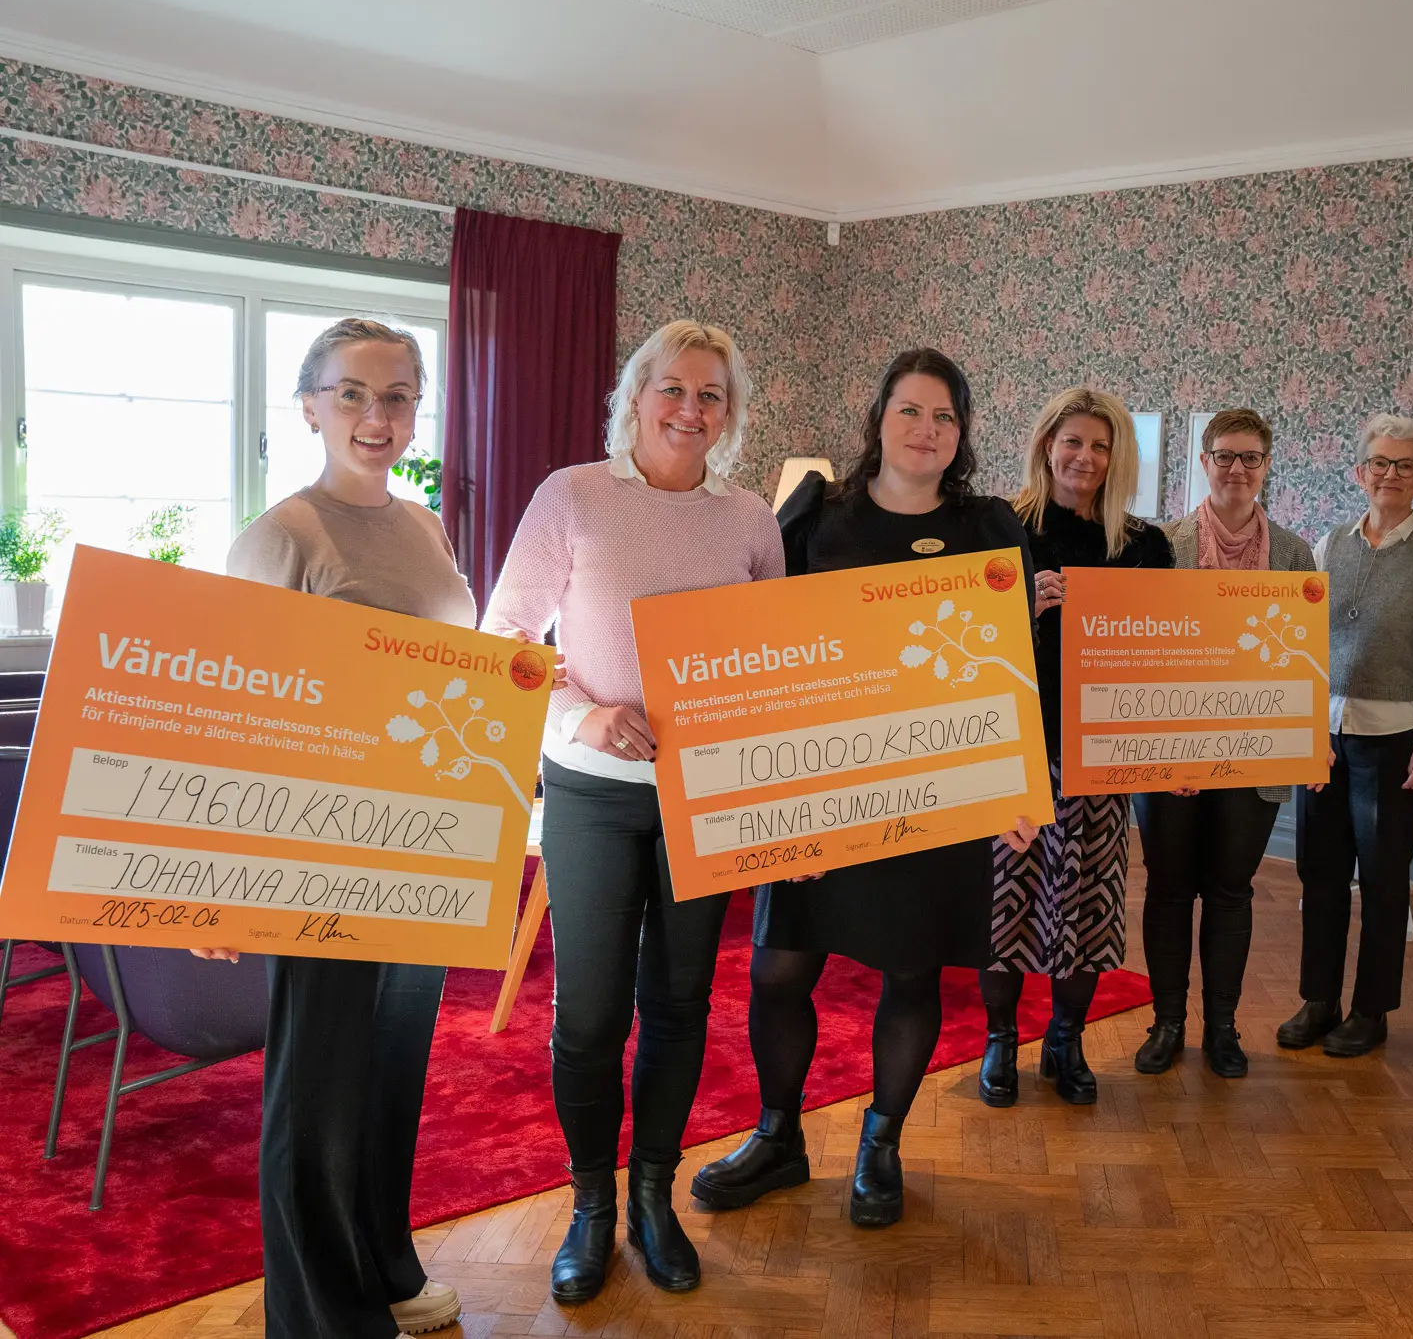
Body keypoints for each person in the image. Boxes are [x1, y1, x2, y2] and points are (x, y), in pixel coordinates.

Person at [691, 348, 1038, 1228]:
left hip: (941, 787)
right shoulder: (816, 515)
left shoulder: (989, 526)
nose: (927, 429)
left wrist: (1020, 786)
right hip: (820, 784)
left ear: (962, 433)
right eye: (910, 410)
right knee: (778, 969)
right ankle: (778, 1137)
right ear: (879, 418)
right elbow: (760, 642)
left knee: (911, 973)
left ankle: (881, 1142)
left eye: (945, 416)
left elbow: (1015, 666)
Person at [481, 320, 784, 1300]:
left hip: (707, 798)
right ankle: (591, 1206)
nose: (690, 410)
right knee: (589, 1014)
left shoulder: (749, 519)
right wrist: (583, 713)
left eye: (710, 395)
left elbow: (775, 664)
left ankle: (653, 1194)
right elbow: (505, 639)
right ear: (636, 396)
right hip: (591, 794)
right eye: (673, 389)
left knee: (680, 1004)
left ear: (729, 413)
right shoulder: (573, 495)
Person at [197, 318, 472, 1337]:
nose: (376, 415)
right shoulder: (282, 535)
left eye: (397, 394)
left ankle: (384, 1265)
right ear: (309, 405)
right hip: (318, 854)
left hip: (427, 844)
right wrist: (221, 878)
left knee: (389, 1078)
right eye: (352, 393)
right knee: (316, 1095)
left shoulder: (426, 527)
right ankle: (321, 1317)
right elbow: (234, 714)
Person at [980, 388, 1173, 1107]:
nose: (1085, 458)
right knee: (1004, 908)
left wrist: (1175, 750)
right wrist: (1020, 610)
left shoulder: (1145, 547)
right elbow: (964, 645)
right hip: (1014, 751)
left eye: (1100, 445)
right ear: (1046, 445)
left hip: (1101, 756)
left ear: (1117, 457)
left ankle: (1066, 1040)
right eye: (1072, 442)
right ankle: (1001, 1040)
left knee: (1088, 908)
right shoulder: (1000, 530)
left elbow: (1164, 660)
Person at [1132, 408, 1315, 1079]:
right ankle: (1167, 1024)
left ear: (1266, 467)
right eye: (1226, 456)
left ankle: (1223, 1028)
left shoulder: (1295, 555)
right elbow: (1137, 651)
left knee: (1232, 891)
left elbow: (1304, 659)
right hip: (1170, 755)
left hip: (1256, 754)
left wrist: (1306, 737)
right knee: (1169, 889)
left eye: (1251, 458)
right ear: (1204, 463)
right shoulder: (1158, 545)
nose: (1238, 469)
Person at [1282, 414, 1413, 1059]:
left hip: (1397, 738)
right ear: (1359, 473)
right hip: (1324, 736)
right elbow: (1302, 643)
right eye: (1379, 462)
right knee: (1319, 874)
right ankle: (1318, 1001)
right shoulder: (1328, 546)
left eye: (1405, 466)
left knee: (1383, 879)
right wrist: (1304, 725)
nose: (1390, 475)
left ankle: (1371, 1011)